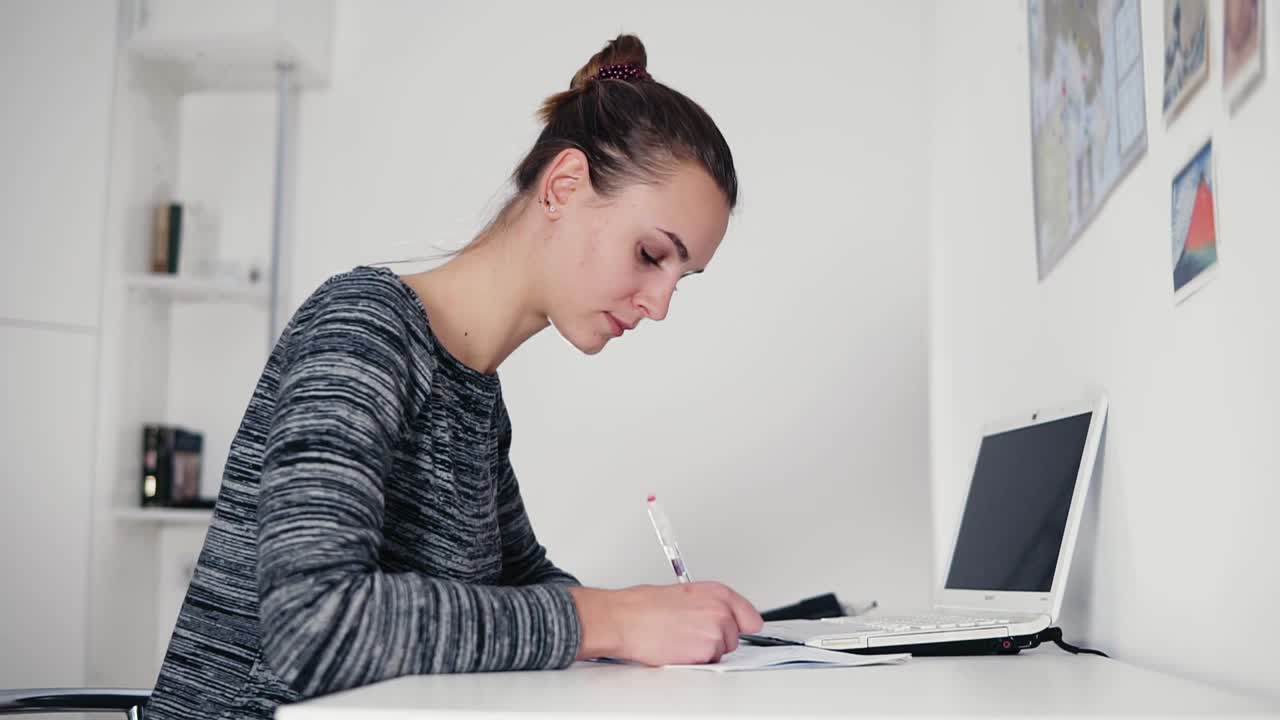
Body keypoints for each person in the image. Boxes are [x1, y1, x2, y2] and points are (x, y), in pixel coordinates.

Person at [145, 33, 762, 720]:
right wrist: (610, 621)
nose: (661, 305)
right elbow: (310, 622)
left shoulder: (473, 395)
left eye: (684, 278)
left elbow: (524, 582)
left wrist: (657, 621)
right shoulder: (364, 329)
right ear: (563, 187)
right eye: (652, 254)